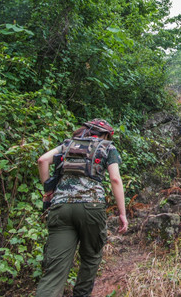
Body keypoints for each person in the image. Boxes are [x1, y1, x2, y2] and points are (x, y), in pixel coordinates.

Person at [35, 119, 128, 297]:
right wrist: (122, 214)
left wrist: (48, 192)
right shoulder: (108, 147)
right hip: (91, 206)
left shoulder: (68, 144)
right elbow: (115, 179)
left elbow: (43, 160)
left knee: (54, 270)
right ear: (106, 134)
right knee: (91, 256)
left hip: (61, 207)